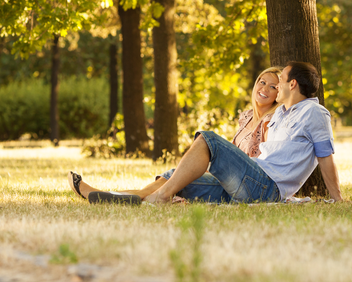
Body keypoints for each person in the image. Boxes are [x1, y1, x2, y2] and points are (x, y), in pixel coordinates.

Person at [67, 67, 282, 203]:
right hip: (225, 181)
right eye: (262, 82)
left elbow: (261, 162)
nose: (265, 88)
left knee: (199, 150)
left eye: (273, 86)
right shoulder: (245, 117)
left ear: (279, 94)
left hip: (245, 185)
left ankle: (135, 197)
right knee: (173, 175)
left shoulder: (272, 120)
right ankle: (115, 196)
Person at [144, 61, 343, 204]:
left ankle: (160, 198)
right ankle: (129, 198)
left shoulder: (314, 112)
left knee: (209, 139)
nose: (276, 86)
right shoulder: (281, 114)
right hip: (251, 180)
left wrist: (338, 199)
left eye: (279, 81)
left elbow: (325, 156)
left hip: (266, 187)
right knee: (177, 177)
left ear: (292, 85)